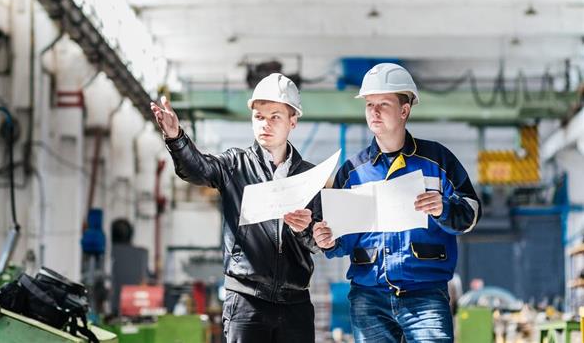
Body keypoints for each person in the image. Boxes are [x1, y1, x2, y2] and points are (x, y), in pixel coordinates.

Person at [312, 63, 481, 342]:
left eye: (383, 104)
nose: (374, 112)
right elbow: (342, 238)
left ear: (405, 110)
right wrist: (327, 240)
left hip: (425, 295)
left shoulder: (438, 160)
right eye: (369, 104)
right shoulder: (352, 171)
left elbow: (472, 212)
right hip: (369, 298)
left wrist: (444, 208)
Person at [151, 73, 319, 342]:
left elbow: (319, 241)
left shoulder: (309, 177)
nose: (265, 124)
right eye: (259, 116)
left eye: (275, 116)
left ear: (293, 121)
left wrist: (305, 229)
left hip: (296, 304)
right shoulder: (235, 165)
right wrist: (176, 137)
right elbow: (198, 168)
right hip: (246, 301)